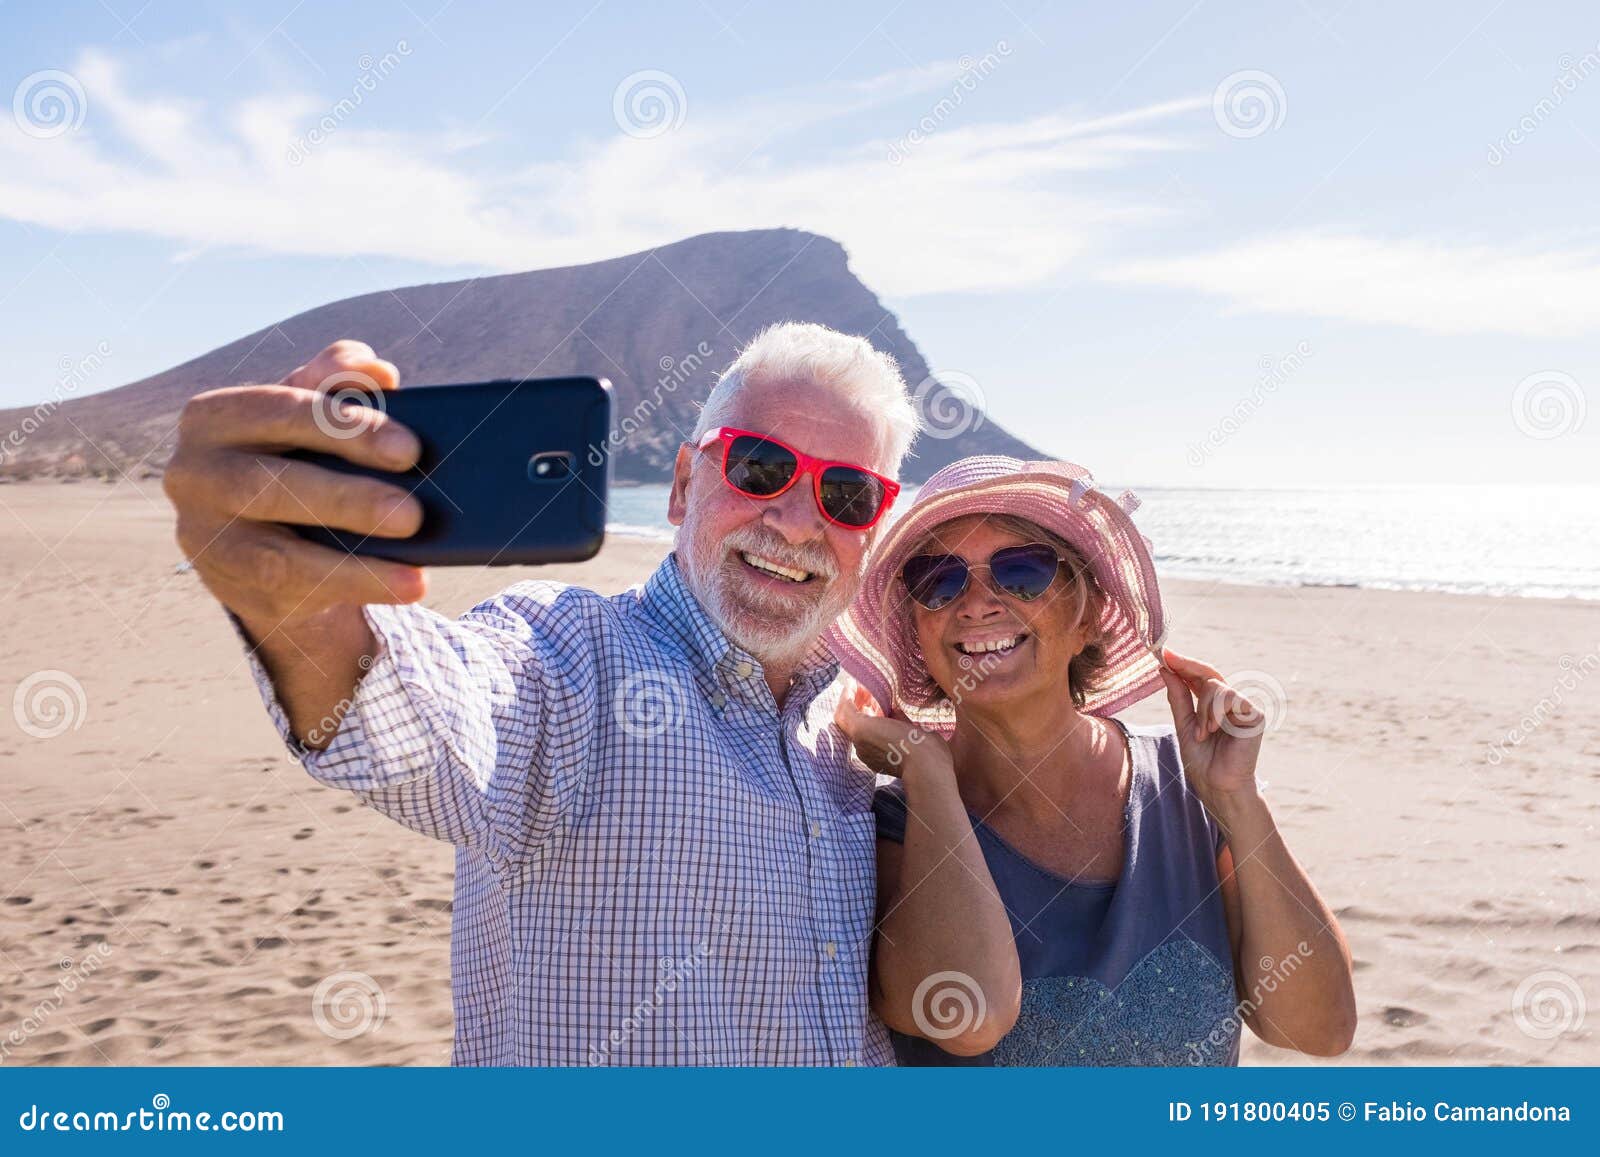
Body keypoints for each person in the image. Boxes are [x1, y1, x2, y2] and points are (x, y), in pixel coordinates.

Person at [162, 323, 920, 1065]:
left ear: (876, 528)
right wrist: (305, 611)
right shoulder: (571, 659)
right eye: (761, 467)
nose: (796, 520)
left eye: (848, 496)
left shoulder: (860, 724)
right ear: (686, 484)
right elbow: (428, 721)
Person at [829, 456, 1357, 1065]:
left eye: (1021, 571)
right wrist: (927, 773)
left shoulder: (1187, 790)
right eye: (939, 581)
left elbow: (1320, 1031)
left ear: (1087, 614)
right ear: (917, 632)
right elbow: (967, 1019)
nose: (976, 604)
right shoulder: (896, 824)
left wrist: (1239, 801)